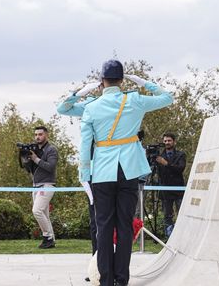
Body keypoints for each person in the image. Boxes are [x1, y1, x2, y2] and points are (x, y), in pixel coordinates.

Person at [79, 60, 173, 286]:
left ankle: (106, 281)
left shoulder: (91, 107)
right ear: (122, 80)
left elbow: (85, 144)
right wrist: (143, 82)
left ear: (102, 81)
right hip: (129, 169)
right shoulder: (135, 100)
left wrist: (84, 173)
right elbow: (167, 97)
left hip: (102, 171)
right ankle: (122, 279)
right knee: (123, 226)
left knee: (103, 228)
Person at [57, 82, 100, 282]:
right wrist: (83, 92)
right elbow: (62, 108)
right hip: (92, 168)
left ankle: (111, 265)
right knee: (96, 221)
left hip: (113, 164)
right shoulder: (89, 104)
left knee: (111, 220)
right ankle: (97, 266)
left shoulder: (119, 103)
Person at [20, 126, 59, 249]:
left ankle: (47, 236)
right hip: (36, 185)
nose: (37, 137)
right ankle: (51, 240)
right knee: (44, 214)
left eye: (40, 134)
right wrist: (26, 159)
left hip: (47, 184)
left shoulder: (51, 149)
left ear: (46, 135)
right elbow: (29, 170)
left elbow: (50, 167)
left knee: (36, 210)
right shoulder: (34, 149)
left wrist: (35, 158)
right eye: (36, 134)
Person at [155, 133, 186, 238]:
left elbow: (180, 169)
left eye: (169, 140)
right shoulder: (159, 156)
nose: (167, 143)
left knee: (181, 214)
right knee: (167, 215)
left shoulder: (181, 155)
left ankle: (181, 236)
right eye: (165, 141)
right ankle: (169, 237)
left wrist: (166, 164)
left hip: (178, 189)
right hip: (165, 190)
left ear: (174, 141)